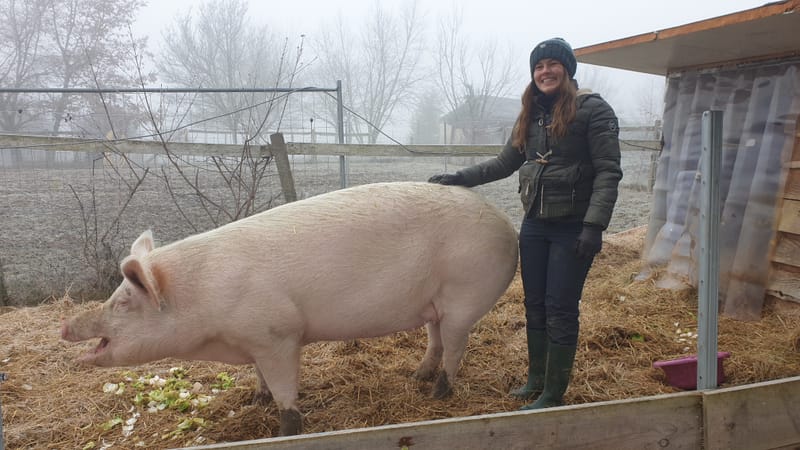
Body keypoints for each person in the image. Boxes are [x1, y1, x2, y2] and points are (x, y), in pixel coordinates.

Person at [428, 37, 622, 410]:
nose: (544, 72)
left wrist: (594, 226)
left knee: (561, 306)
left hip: (573, 226)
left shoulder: (594, 110)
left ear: (567, 69)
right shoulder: (531, 113)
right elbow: (505, 162)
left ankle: (553, 391)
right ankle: (535, 378)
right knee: (534, 304)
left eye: (552, 64)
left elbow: (608, 172)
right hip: (535, 225)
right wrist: (461, 177)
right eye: (538, 67)